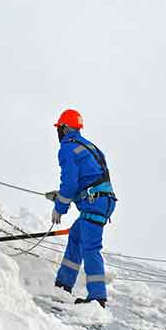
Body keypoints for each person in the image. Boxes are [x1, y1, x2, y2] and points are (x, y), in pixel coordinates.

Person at [47, 109, 117, 307]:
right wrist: (62, 197)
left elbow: (69, 182)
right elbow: (85, 179)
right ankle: (63, 285)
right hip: (102, 200)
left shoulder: (68, 148)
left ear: (64, 127)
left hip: (95, 202)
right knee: (77, 237)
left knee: (90, 247)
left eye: (59, 128)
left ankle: (97, 297)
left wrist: (60, 207)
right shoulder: (88, 146)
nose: (58, 132)